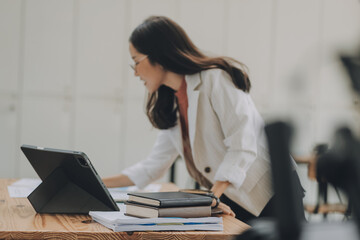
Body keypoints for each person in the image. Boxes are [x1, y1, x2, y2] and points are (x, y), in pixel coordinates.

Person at [103, 16, 304, 224]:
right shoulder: (172, 102)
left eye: (136, 61)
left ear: (158, 56)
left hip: (271, 192)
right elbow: (153, 166)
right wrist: (98, 184)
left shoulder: (215, 79)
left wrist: (211, 196)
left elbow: (243, 144)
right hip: (230, 196)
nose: (135, 72)